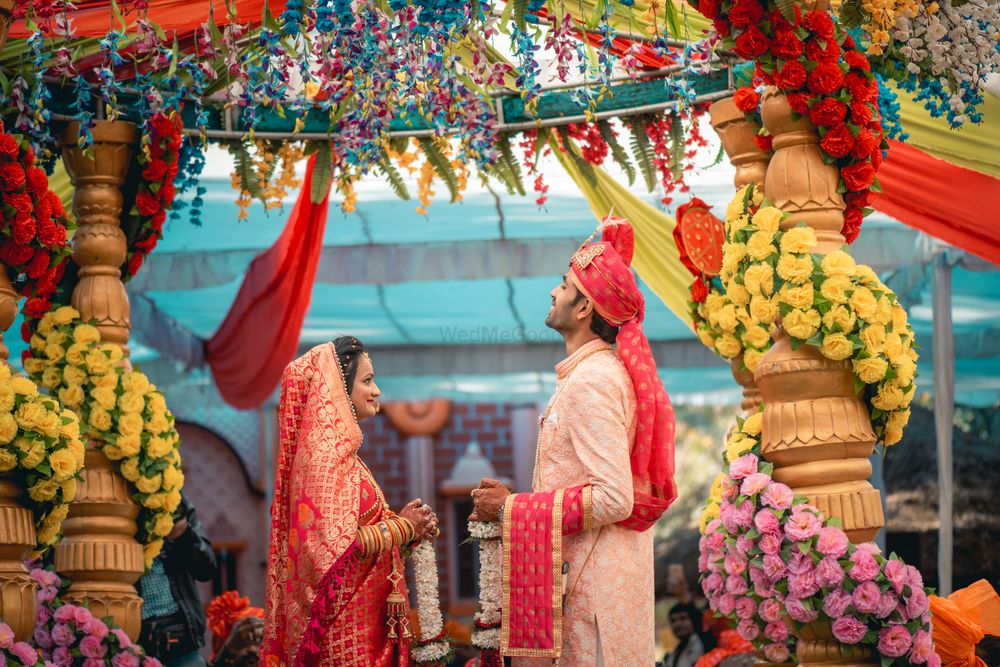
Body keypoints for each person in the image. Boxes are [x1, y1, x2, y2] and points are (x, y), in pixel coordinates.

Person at [471, 216, 678, 665]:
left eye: (564, 286)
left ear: (584, 308)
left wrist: (512, 508)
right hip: (592, 593)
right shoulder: (591, 376)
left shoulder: (593, 381)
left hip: (593, 604)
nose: (552, 292)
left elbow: (614, 497)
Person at [261, 336, 439, 667]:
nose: (377, 391)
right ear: (337, 391)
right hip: (341, 635)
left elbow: (359, 534)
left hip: (361, 627)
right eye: (367, 381)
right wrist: (403, 527)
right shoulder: (321, 459)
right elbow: (332, 546)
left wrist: (409, 528)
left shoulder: (346, 459)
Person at [138, 492, 217, 667]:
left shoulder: (172, 497)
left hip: (180, 636)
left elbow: (206, 570)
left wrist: (183, 534)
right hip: (131, 638)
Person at [663, 603, 714, 667]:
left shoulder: (705, 641)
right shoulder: (678, 649)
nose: (677, 624)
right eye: (673, 621)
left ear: (694, 620)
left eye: (683, 618)